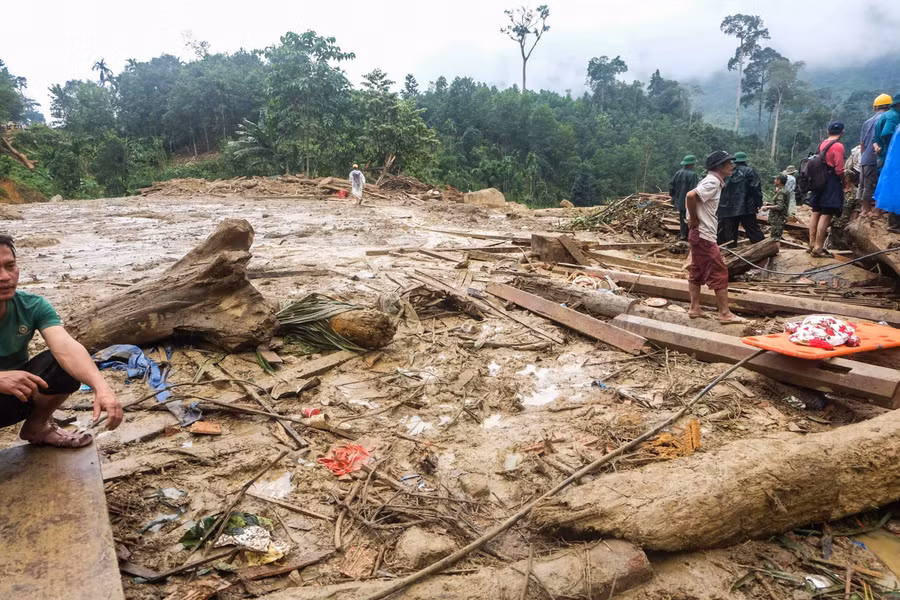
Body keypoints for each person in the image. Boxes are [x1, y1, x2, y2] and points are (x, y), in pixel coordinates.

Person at [0, 235, 122, 447]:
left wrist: (101, 387)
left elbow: (66, 347)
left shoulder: (32, 306)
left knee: (61, 365)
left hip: (14, 398)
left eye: (10, 266)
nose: (4, 277)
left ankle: (37, 427)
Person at [685, 150, 744, 324]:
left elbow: (692, 196)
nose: (732, 166)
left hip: (699, 233)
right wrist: (694, 219)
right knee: (719, 271)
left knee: (696, 270)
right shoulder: (712, 181)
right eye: (728, 163)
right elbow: (690, 196)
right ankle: (724, 313)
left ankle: (695, 308)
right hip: (704, 234)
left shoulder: (711, 181)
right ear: (720, 166)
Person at [808, 121, 847, 258]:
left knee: (816, 211)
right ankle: (818, 247)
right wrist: (844, 182)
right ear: (842, 132)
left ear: (827, 131)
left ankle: (812, 244)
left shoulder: (822, 144)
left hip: (818, 182)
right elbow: (839, 169)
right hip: (831, 181)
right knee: (827, 213)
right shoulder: (838, 146)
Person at [716, 151, 764, 247]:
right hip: (747, 207)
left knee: (730, 235)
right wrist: (759, 203)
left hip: (728, 208)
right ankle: (765, 250)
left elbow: (720, 190)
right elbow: (755, 188)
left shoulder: (727, 173)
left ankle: (730, 254)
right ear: (745, 160)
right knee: (754, 231)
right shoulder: (750, 171)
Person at [859, 93, 893, 220]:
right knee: (874, 185)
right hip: (877, 158)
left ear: (875, 107)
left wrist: (863, 156)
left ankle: (864, 209)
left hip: (865, 159)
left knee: (863, 185)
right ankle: (872, 211)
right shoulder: (888, 119)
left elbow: (862, 144)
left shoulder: (867, 122)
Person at [875, 120, 900, 231]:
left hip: (894, 166)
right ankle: (895, 225)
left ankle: (894, 224)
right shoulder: (893, 120)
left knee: (894, 190)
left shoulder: (898, 127)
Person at [668, 154, 699, 241]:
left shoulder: (678, 173)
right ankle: (688, 236)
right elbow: (695, 190)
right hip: (689, 202)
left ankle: (683, 235)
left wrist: (674, 197)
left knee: (683, 218)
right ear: (692, 164)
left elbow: (671, 186)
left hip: (679, 202)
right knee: (690, 218)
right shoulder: (693, 175)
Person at [763, 174, 790, 245]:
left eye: (776, 179)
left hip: (778, 219)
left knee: (775, 239)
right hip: (776, 219)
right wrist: (769, 204)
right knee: (774, 237)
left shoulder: (782, 192)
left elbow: (779, 206)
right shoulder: (781, 191)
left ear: (779, 181)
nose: (774, 181)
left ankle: (776, 253)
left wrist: (767, 207)